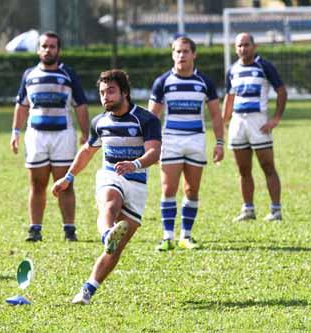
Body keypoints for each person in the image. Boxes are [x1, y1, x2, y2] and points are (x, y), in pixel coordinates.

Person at [52, 70, 161, 305]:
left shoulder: (146, 119)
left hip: (137, 184)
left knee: (116, 250)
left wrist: (135, 164)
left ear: (124, 92)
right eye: (102, 92)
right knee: (110, 204)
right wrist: (68, 177)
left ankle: (88, 288)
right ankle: (106, 235)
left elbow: (154, 152)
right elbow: (87, 151)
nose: (105, 97)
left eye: (110, 91)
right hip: (110, 177)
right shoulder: (99, 122)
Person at [10, 31, 89, 242]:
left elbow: (80, 105)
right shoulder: (29, 75)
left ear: (59, 50)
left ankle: (69, 229)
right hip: (36, 136)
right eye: (44, 46)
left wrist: (86, 133)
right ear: (38, 50)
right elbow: (22, 105)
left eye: (52, 46)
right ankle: (35, 229)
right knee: (37, 183)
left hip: (63, 136)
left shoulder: (68, 74)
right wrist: (15, 132)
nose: (48, 50)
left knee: (65, 183)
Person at [149, 36, 224, 251]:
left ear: (194, 54)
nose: (181, 55)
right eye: (177, 51)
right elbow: (153, 116)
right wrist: (151, 146)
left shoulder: (204, 83)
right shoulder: (162, 82)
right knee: (168, 188)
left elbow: (216, 116)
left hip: (196, 140)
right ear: (173, 54)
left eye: (185, 51)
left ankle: (186, 236)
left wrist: (219, 143)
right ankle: (167, 237)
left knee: (191, 189)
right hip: (170, 140)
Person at [223, 33, 287, 222]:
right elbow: (229, 97)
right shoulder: (232, 70)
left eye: (246, 45)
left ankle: (276, 210)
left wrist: (275, 119)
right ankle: (248, 209)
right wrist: (224, 121)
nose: (243, 49)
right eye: (239, 46)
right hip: (238, 123)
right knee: (243, 169)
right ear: (235, 48)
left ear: (254, 46)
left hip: (258, 123)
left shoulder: (264, 66)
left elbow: (282, 91)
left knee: (268, 166)